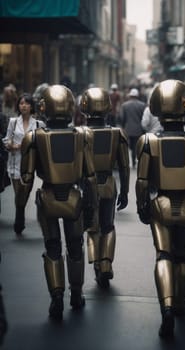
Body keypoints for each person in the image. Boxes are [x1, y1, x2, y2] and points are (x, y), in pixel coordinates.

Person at [135, 79, 185, 338]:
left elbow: (142, 181)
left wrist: (142, 206)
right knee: (183, 257)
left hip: (161, 204)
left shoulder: (148, 142)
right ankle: (180, 304)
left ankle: (167, 308)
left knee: (164, 256)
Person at [20, 84, 99, 320]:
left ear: (44, 107)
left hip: (47, 197)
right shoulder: (82, 135)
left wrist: (18, 210)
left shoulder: (34, 137)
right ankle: (76, 293)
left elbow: (26, 178)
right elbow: (91, 176)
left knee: (53, 248)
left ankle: (56, 296)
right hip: (73, 197)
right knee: (75, 247)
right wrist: (91, 205)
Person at [80, 87, 130, 288]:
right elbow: (125, 167)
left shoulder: (79, 133)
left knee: (93, 226)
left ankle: (97, 265)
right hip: (108, 184)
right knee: (107, 225)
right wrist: (125, 192)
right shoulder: (117, 133)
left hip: (86, 186)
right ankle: (106, 264)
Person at [4, 93, 45, 235]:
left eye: (27, 103)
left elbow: (42, 144)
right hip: (15, 162)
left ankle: (19, 217)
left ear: (31, 106)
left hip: (30, 165)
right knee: (18, 193)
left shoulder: (39, 124)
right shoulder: (13, 122)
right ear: (18, 106)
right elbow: (6, 139)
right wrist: (10, 145)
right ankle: (19, 220)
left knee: (25, 192)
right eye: (21, 103)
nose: (24, 106)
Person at [119, 88, 146, 168]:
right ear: (137, 96)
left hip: (128, 129)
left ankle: (131, 161)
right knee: (136, 146)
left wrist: (123, 126)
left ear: (130, 96)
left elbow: (122, 117)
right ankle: (135, 160)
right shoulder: (142, 105)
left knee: (129, 146)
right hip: (138, 129)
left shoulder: (124, 105)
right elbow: (143, 118)